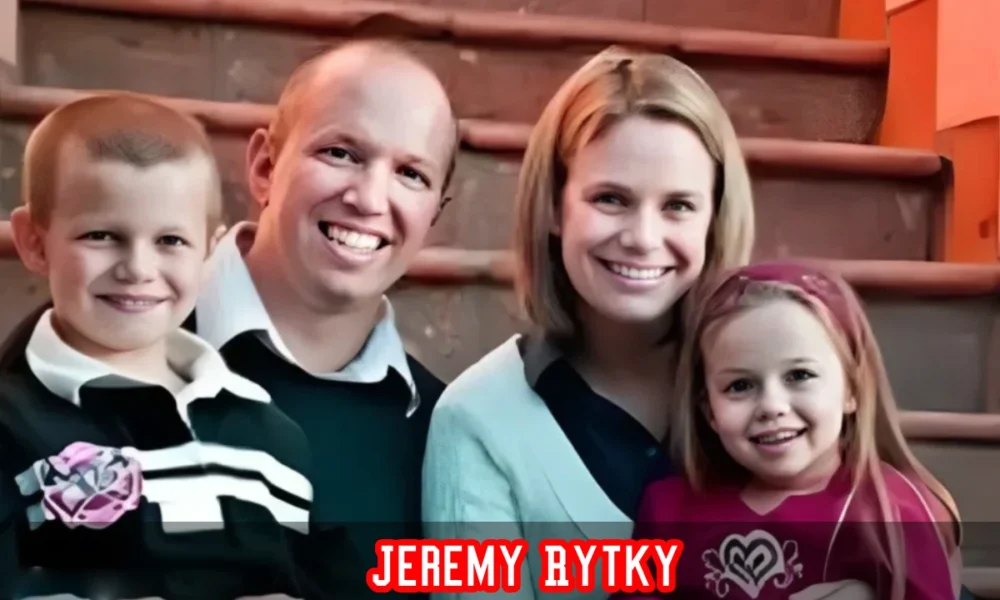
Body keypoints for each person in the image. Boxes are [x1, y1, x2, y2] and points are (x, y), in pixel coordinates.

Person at [421, 46, 755, 598]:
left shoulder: (780, 389)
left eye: (678, 206)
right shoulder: (477, 420)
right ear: (555, 206)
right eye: (611, 199)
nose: (644, 238)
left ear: (714, 219)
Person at [0, 93, 351, 599]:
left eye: (170, 241)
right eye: (101, 235)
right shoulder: (9, 425)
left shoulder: (272, 436)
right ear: (35, 241)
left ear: (210, 250)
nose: (138, 269)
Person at [182, 40, 459, 596]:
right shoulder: (92, 347)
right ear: (265, 167)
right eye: (341, 153)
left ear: (434, 217)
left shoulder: (443, 433)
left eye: (411, 173)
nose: (369, 198)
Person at [625, 262, 962, 600]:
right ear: (709, 410)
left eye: (799, 376)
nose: (772, 406)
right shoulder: (668, 510)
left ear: (852, 389)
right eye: (740, 385)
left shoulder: (896, 515)